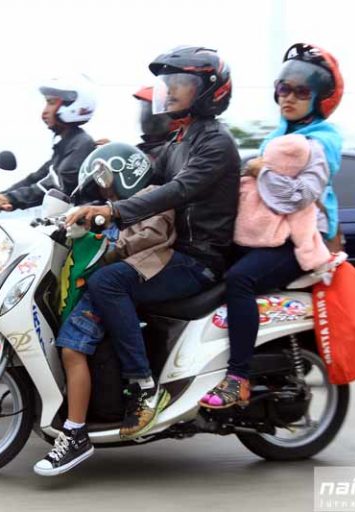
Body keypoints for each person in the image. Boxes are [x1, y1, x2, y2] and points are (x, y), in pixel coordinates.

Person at [66, 46, 240, 439]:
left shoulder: (215, 143)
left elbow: (176, 191)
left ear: (209, 90)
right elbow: (145, 181)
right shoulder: (181, 138)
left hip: (199, 259)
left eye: (182, 82)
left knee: (107, 282)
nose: (171, 90)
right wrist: (97, 186)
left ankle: (144, 387)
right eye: (168, 82)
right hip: (172, 251)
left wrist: (114, 212)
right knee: (101, 270)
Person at [199, 42, 345, 410]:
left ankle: (238, 378)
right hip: (267, 233)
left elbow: (300, 197)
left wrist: (261, 171)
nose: (289, 98)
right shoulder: (278, 136)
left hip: (300, 240)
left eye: (301, 92)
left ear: (319, 98)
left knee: (240, 280)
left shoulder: (320, 144)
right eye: (284, 88)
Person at [34, 143, 176, 476]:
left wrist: (106, 243)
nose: (104, 195)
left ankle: (75, 433)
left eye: (107, 186)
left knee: (72, 349)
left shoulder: (153, 198)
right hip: (100, 283)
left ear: (125, 176)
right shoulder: (119, 205)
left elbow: (146, 237)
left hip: (117, 284)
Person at [0, 75, 96, 212]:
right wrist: (2, 195)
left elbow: (58, 185)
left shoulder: (82, 143)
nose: (45, 111)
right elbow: (36, 178)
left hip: (84, 221)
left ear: (72, 104)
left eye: (51, 103)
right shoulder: (67, 144)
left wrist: (11, 198)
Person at [232, 133, 332, 272]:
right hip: (254, 237)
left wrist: (263, 172)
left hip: (292, 235)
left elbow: (302, 196)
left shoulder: (314, 146)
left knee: (240, 277)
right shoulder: (274, 136)